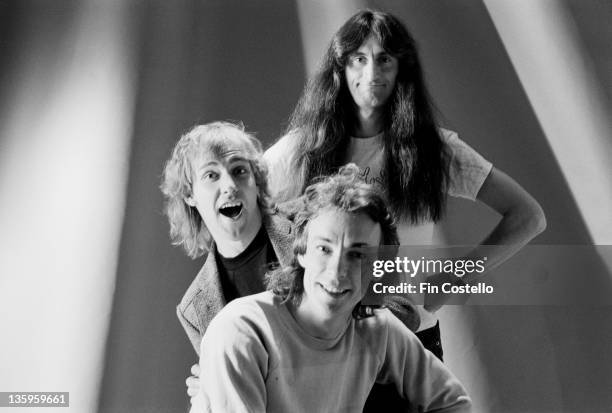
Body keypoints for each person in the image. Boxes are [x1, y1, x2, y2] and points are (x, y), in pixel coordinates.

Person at [264, 9, 546, 360]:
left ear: (401, 70)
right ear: (340, 69)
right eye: (359, 59)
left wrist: (456, 277)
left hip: (410, 342)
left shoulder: (433, 149)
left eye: (384, 60)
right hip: (326, 351)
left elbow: (527, 217)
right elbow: (241, 214)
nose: (371, 73)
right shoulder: (305, 147)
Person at [197, 165, 472, 413]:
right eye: (324, 248)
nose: (337, 271)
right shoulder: (241, 330)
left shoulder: (376, 329)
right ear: (301, 252)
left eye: (357, 255)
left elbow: (454, 404)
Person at [160, 122, 294, 400]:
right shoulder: (193, 309)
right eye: (211, 175)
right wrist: (214, 386)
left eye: (239, 171)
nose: (230, 186)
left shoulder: (313, 222)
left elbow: (404, 305)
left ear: (256, 181)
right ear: (189, 195)